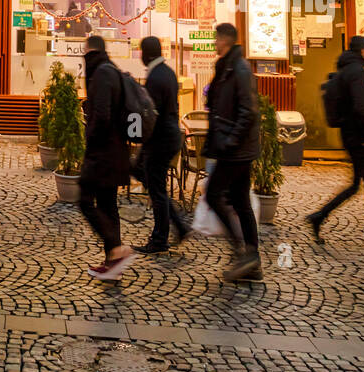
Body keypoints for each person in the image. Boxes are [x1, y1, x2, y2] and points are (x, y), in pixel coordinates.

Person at [306, 36, 364, 248]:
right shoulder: (356, 72)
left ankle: (320, 216)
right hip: (360, 138)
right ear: (361, 51)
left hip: (351, 136)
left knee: (359, 183)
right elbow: (361, 106)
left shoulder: (345, 70)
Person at [203, 22, 262, 282]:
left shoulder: (239, 68)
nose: (214, 43)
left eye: (216, 39)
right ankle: (252, 261)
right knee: (240, 202)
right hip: (237, 147)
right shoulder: (227, 67)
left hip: (235, 149)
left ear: (225, 40)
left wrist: (230, 140)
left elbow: (248, 111)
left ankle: (243, 252)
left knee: (214, 195)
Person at [78, 35, 134, 281]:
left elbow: (101, 116)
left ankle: (116, 250)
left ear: (91, 51)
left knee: (85, 200)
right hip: (116, 151)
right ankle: (113, 264)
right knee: (108, 205)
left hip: (102, 153)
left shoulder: (101, 74)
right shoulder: (112, 71)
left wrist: (90, 141)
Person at [134, 36, 190, 253]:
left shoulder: (156, 77)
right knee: (155, 185)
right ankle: (178, 226)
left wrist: (139, 136)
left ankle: (160, 239)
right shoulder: (167, 72)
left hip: (160, 140)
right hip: (169, 137)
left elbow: (151, 115)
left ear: (146, 54)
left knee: (156, 189)